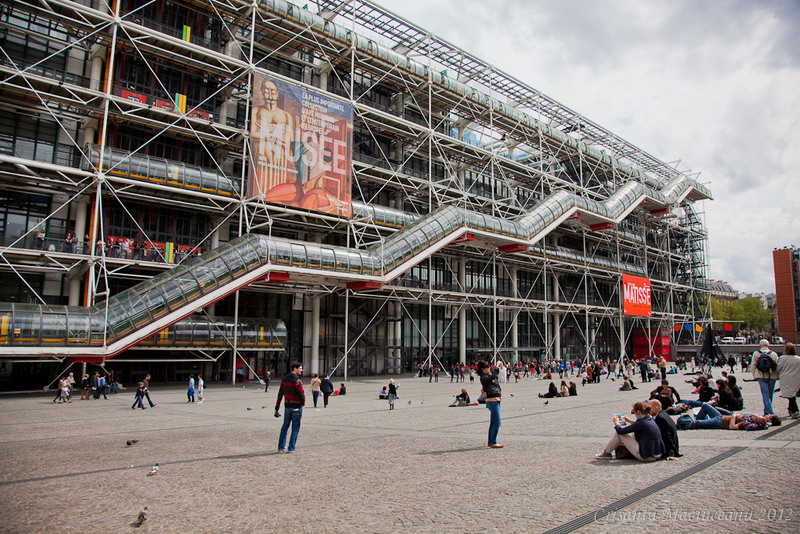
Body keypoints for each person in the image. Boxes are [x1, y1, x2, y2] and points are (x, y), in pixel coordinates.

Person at [596, 401, 664, 461]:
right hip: (656, 454)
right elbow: (638, 426)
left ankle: (606, 453)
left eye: (634, 412)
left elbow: (621, 431)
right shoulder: (650, 420)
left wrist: (616, 423)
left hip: (646, 457)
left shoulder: (641, 422)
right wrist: (629, 421)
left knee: (619, 434)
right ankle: (607, 452)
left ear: (638, 412)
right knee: (633, 434)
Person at [677, 403, 781, 430]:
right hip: (721, 416)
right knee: (705, 406)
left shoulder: (752, 425)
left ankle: (680, 425)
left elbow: (732, 427)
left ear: (770, 419)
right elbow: (765, 422)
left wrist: (734, 417)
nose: (768, 414)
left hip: (721, 422)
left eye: (770, 415)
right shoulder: (764, 424)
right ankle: (699, 423)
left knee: (697, 424)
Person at [275, 362, 305, 453]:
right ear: (295, 369)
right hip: (296, 406)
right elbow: (301, 393)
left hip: (287, 406)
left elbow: (280, 394)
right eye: (300, 368)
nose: (301, 370)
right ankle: (291, 448)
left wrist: (277, 407)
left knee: (285, 426)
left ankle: (281, 447)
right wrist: (302, 403)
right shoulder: (297, 381)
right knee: (295, 428)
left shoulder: (284, 380)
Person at [749, 339, 779, 415]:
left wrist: (753, 374)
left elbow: (753, 365)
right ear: (768, 345)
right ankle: (768, 410)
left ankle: (769, 412)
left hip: (760, 375)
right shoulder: (774, 354)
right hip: (772, 376)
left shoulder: (756, 353)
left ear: (760, 345)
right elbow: (777, 365)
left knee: (765, 394)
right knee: (770, 394)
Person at [479, 360, 503, 448]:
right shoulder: (483, 377)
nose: (489, 368)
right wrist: (496, 366)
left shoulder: (488, 376)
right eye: (487, 367)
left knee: (493, 422)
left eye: (489, 366)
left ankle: (491, 441)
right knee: (497, 422)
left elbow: (494, 375)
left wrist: (498, 366)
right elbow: (493, 375)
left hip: (496, 399)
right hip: (492, 400)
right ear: (482, 369)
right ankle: (493, 441)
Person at [777, 342, 800, 418]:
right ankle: (790, 409)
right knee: (792, 395)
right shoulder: (798, 359)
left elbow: (778, 368)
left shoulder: (782, 358)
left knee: (790, 396)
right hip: (796, 378)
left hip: (785, 379)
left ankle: (795, 411)